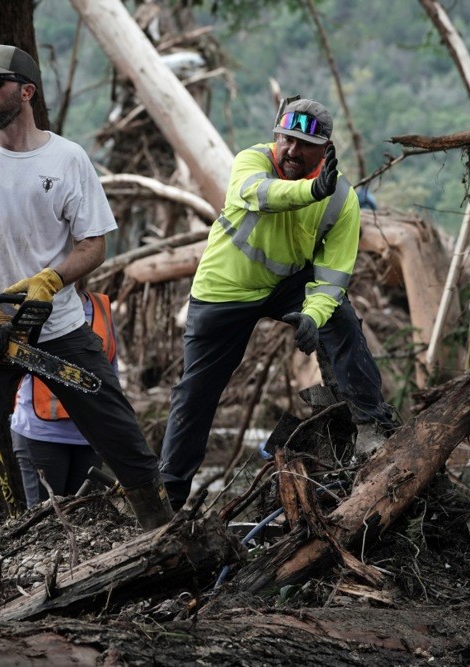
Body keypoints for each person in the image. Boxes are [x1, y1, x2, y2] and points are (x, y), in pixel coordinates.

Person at [0, 44, 171, 589]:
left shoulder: (67, 160)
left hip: (56, 329)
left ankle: (171, 544)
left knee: (123, 439)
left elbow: (93, 244)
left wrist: (53, 279)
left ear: (26, 91)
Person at [159, 96, 400, 511]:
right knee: (197, 390)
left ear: (326, 150)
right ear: (275, 137)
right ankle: (169, 493)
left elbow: (333, 278)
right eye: (286, 139)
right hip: (225, 287)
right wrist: (310, 190)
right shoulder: (251, 162)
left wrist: (312, 316)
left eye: (304, 144)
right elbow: (261, 194)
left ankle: (370, 422)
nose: (291, 150)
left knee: (341, 319)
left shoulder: (342, 199)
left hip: (288, 283)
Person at [11, 286, 118, 508]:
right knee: (44, 523)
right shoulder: (33, 304)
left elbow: (111, 370)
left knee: (85, 522)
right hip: (40, 433)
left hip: (90, 435)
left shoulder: (101, 305)